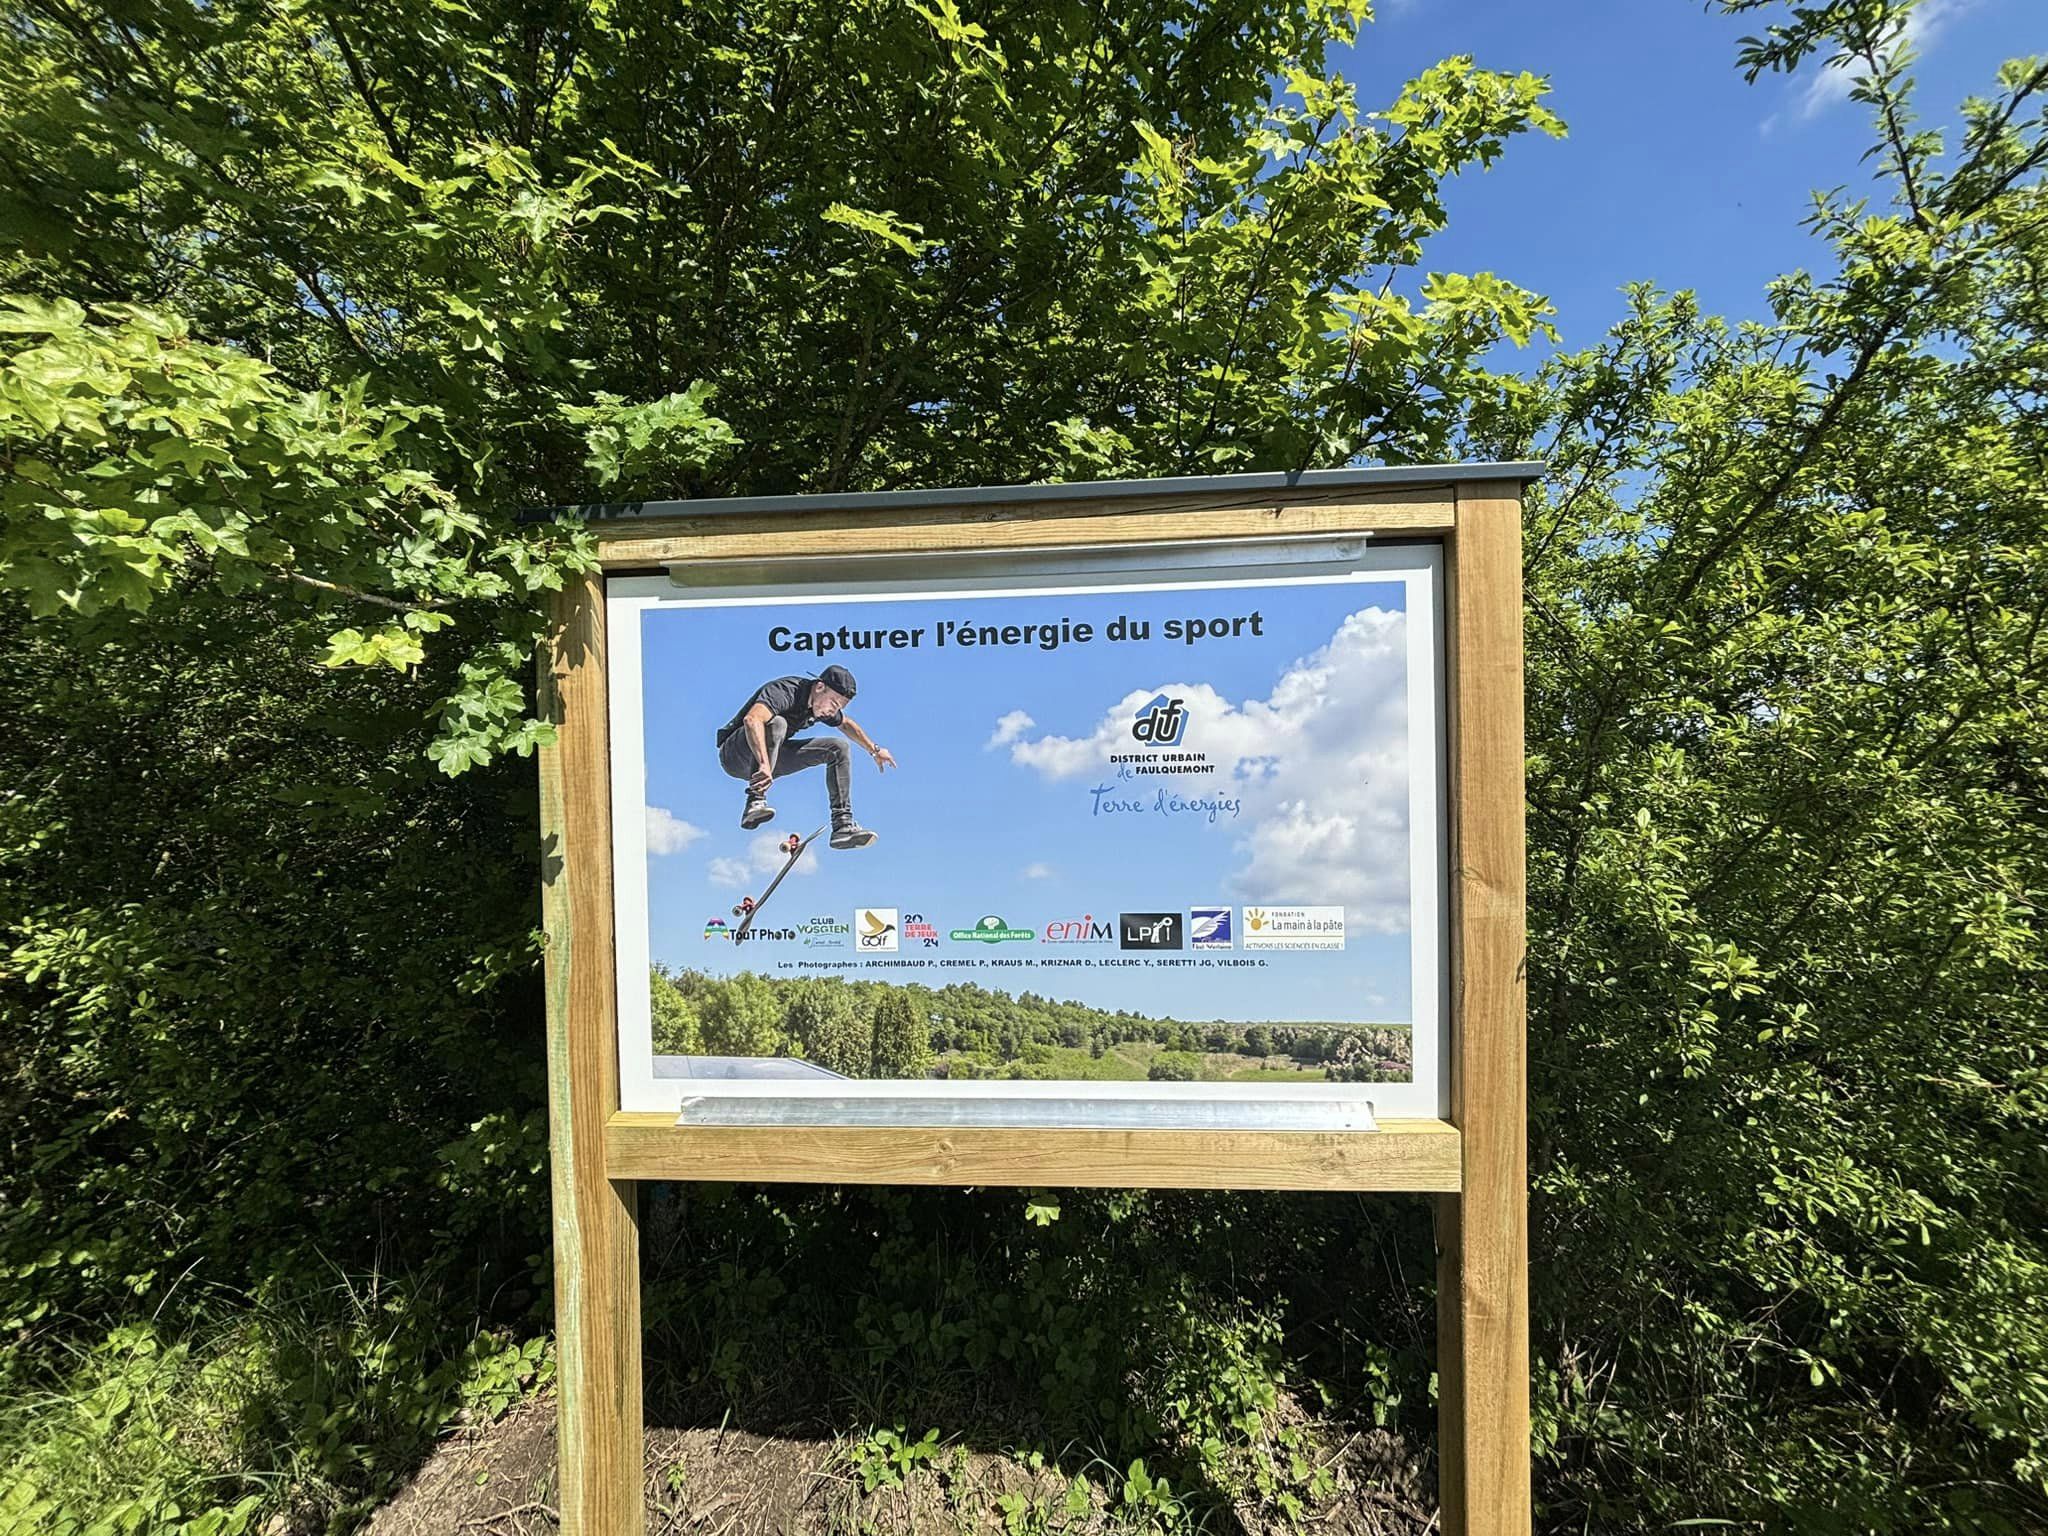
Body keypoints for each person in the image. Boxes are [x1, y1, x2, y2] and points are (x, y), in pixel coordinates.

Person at [714, 663, 894, 848]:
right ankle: (755, 801)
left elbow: (845, 724)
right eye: (833, 703)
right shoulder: (786, 691)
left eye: (839, 707)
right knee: (778, 724)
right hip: (735, 755)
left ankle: (842, 826)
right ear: (819, 687)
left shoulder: (822, 706)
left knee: (838, 747)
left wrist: (874, 749)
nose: (832, 711)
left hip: (771, 757)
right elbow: (752, 720)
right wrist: (764, 764)